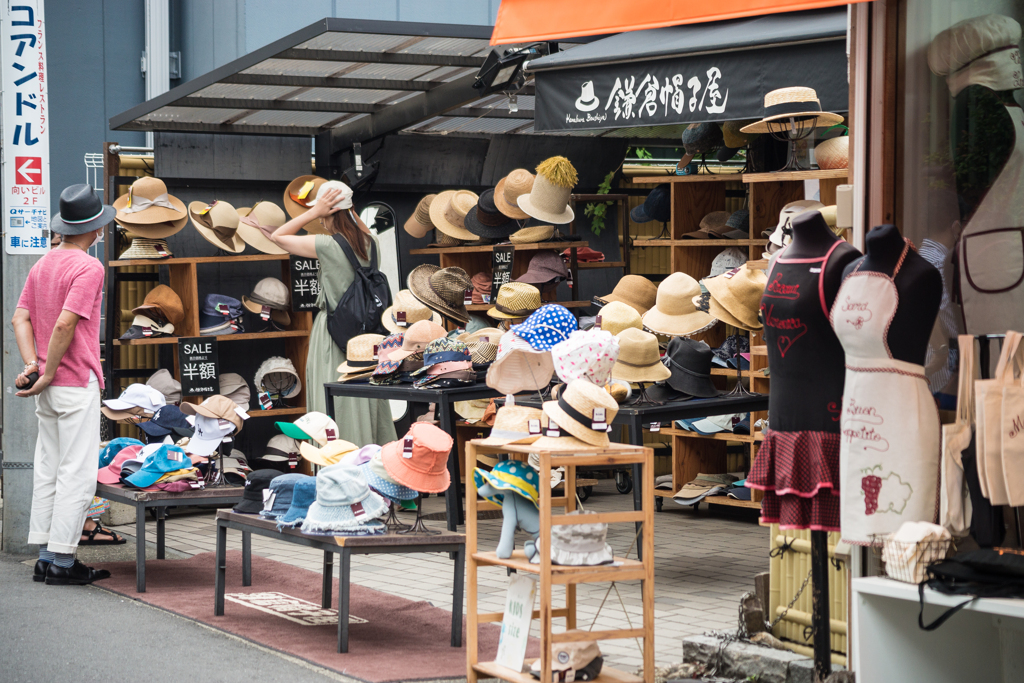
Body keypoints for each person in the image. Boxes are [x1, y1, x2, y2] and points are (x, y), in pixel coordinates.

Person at [13, 184, 113, 585]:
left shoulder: (43, 264)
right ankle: (63, 562)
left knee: (49, 467)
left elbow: (20, 319)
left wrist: (34, 365)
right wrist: (51, 369)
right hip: (73, 382)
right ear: (94, 228)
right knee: (77, 471)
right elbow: (66, 323)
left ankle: (44, 556)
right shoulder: (89, 267)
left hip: (49, 387)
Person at [271, 182, 397, 447]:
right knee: (365, 394)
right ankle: (370, 454)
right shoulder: (371, 242)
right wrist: (346, 209)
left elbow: (278, 237)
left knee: (334, 397)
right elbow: (356, 226)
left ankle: (337, 457)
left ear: (326, 212)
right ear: (352, 208)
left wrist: (312, 212)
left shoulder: (327, 245)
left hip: (333, 334)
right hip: (366, 335)